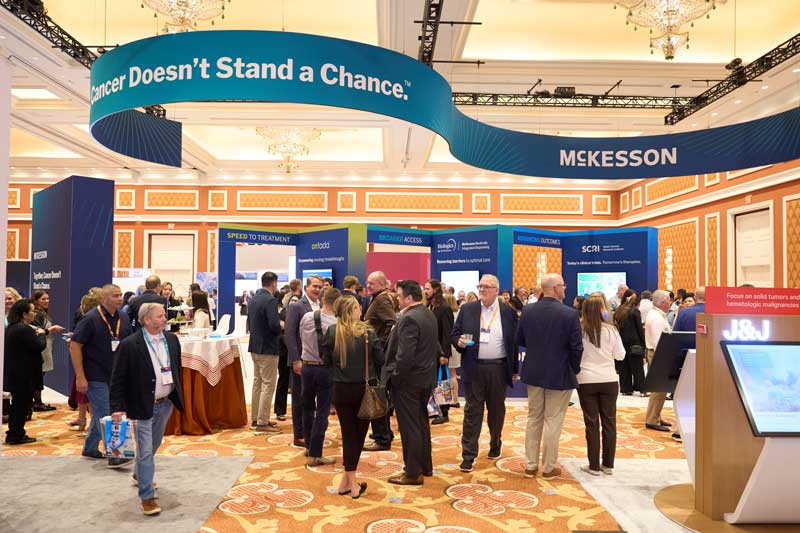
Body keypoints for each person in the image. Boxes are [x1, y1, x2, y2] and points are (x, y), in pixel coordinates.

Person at [110, 303, 184, 516]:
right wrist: (117, 407)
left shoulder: (171, 339)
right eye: (160, 316)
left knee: (153, 445)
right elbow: (117, 379)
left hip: (165, 403)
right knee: (144, 451)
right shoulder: (130, 344)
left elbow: (176, 368)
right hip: (141, 405)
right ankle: (147, 496)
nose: (164, 319)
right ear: (147, 320)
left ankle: (138, 473)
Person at [516, 273, 583, 479]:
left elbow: (521, 339)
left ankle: (530, 464)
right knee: (553, 420)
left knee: (533, 418)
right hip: (560, 374)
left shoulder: (527, 311)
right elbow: (576, 348)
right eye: (563, 285)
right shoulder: (569, 314)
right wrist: (574, 368)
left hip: (534, 372)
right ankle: (548, 467)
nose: (565, 288)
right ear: (555, 288)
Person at [451, 274, 519, 473]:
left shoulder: (507, 312)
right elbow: (454, 334)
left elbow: (513, 343)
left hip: (498, 368)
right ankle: (468, 455)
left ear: (497, 290)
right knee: (472, 412)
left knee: (496, 411)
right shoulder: (468, 309)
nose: (482, 290)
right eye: (480, 286)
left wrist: (514, 368)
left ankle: (495, 442)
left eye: (487, 287)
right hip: (474, 367)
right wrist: (459, 342)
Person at [321, 296, 384, 498]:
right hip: (363, 390)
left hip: (340, 389)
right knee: (357, 436)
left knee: (348, 434)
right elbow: (380, 359)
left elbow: (326, 360)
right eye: (358, 307)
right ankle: (353, 482)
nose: (361, 310)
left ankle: (346, 481)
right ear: (353, 310)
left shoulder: (332, 332)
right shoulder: (368, 332)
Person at [381, 280, 439, 486]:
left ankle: (413, 472)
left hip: (409, 381)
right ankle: (425, 465)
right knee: (421, 422)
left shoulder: (409, 318)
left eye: (398, 296)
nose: (396, 299)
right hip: (424, 379)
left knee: (410, 426)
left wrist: (395, 378)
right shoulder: (427, 313)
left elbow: (405, 355)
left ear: (408, 298)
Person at [69, 283, 133, 467]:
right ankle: (115, 454)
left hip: (116, 375)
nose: (120, 298)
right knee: (105, 413)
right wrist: (80, 376)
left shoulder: (123, 317)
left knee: (101, 414)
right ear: (104, 299)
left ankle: (89, 448)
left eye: (120, 294)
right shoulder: (90, 319)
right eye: (115, 295)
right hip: (95, 375)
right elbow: (75, 345)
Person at [576, 293, 625, 476]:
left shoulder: (580, 330)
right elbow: (621, 355)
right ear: (603, 310)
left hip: (586, 380)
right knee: (609, 422)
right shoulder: (611, 330)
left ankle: (594, 466)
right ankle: (608, 464)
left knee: (591, 424)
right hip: (609, 379)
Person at [299, 288, 341, 466]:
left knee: (307, 408)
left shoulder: (307, 317)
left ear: (323, 299)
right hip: (325, 370)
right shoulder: (336, 323)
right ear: (337, 303)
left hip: (306, 368)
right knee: (322, 412)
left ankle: (309, 446)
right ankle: (315, 454)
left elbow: (301, 337)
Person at [285, 275, 324, 447]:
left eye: (320, 287)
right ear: (306, 287)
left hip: (318, 361)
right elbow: (289, 334)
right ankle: (299, 435)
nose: (317, 289)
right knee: (299, 400)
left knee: (313, 400)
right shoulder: (297, 306)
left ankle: (310, 431)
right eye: (314, 286)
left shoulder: (322, 306)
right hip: (300, 361)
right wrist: (295, 360)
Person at [3, 299, 47, 444]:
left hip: (16, 373)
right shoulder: (23, 329)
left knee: (17, 405)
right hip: (23, 375)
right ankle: (16, 435)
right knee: (21, 406)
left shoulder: (12, 327)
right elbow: (38, 346)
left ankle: (15, 433)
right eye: (33, 311)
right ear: (24, 314)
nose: (35, 313)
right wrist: (41, 334)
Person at [362, 271, 397, 452]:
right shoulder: (377, 297)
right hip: (376, 354)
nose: (368, 286)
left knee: (377, 395)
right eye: (367, 283)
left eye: (372, 283)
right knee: (377, 395)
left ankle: (382, 438)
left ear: (382, 284)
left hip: (377, 356)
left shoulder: (382, 300)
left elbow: (392, 324)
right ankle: (382, 434)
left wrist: (381, 345)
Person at [247, 271, 283, 434]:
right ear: (274, 283)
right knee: (268, 384)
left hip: (255, 346)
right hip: (268, 347)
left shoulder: (254, 298)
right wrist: (282, 324)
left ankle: (256, 418)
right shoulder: (270, 300)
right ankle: (262, 422)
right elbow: (274, 325)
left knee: (258, 383)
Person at [424, 279, 455, 425]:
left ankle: (444, 412)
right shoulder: (430, 306)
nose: (425, 291)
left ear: (435, 290)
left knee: (443, 383)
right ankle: (434, 409)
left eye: (428, 288)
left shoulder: (444, 308)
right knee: (432, 383)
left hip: (440, 353)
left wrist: (445, 354)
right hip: (429, 353)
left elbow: (447, 334)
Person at [644, 290, 673, 432]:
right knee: (659, 388)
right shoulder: (656, 317)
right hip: (658, 354)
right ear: (662, 302)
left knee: (661, 389)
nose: (670, 302)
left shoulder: (657, 315)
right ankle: (652, 419)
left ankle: (656, 416)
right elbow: (658, 341)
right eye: (668, 300)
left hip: (658, 353)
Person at [31, 290, 64, 412]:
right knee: (38, 376)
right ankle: (37, 403)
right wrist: (52, 328)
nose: (46, 301)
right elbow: (38, 330)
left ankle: (37, 402)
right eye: (43, 299)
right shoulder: (37, 314)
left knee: (39, 376)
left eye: (47, 299)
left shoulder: (42, 313)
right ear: (36, 300)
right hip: (41, 347)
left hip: (46, 345)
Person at [276, 279, 302, 422]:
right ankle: (280, 410)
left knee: (298, 384)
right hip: (284, 352)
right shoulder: (283, 314)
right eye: (292, 301)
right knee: (284, 380)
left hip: (297, 352)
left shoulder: (301, 314)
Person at [614, 294, 647, 396]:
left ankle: (625, 388)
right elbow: (639, 329)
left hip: (621, 341)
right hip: (635, 343)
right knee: (637, 367)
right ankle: (641, 388)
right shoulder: (635, 312)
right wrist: (643, 343)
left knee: (624, 366)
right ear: (637, 303)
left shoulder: (618, 311)